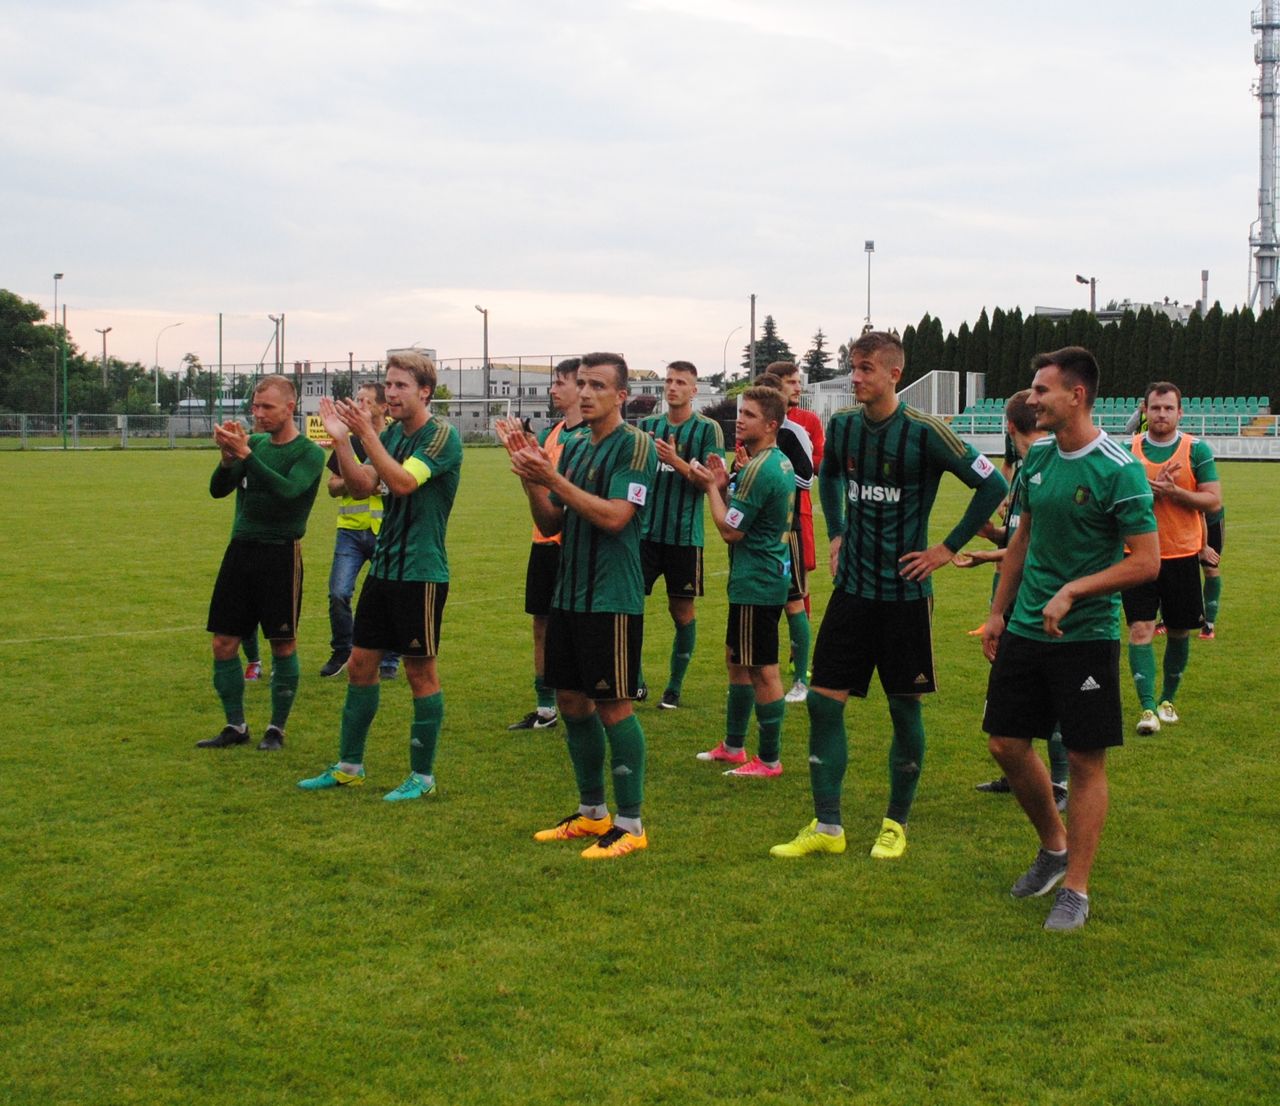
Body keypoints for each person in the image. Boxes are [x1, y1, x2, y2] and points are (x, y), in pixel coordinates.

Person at [770, 331, 1007, 862]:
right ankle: (828, 825)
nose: (856, 377)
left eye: (867, 369)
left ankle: (895, 823)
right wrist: (836, 533)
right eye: (853, 367)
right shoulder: (845, 426)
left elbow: (991, 487)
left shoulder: (926, 432)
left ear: (894, 374)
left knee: (905, 711)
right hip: (852, 592)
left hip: (904, 597)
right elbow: (827, 476)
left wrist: (945, 549)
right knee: (824, 707)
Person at [983, 346, 1159, 931]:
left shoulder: (1118, 467)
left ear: (1076, 395)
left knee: (1084, 759)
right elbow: (1021, 542)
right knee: (1005, 744)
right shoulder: (1035, 462)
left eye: (1041, 390)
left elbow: (1146, 562)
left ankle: (1076, 889)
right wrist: (997, 614)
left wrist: (1075, 591)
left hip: (1086, 634)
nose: (1032, 400)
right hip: (1027, 629)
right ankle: (1053, 848)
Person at [501, 351, 658, 860]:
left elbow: (615, 517)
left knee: (614, 705)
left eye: (596, 385)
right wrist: (530, 473)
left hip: (611, 597)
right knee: (571, 701)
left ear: (620, 395)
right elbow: (551, 525)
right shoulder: (572, 446)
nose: (585, 392)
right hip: (569, 592)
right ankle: (593, 815)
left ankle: (631, 824)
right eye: (581, 383)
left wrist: (553, 479)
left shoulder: (634, 447)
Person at [298, 352, 463, 801]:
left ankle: (422, 777)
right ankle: (350, 766)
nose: (390, 394)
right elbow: (360, 486)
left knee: (419, 674)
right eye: (387, 385)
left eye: (400, 386)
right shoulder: (390, 434)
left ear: (425, 391)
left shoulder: (442, 436)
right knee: (360, 666)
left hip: (421, 573)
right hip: (385, 569)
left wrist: (367, 433)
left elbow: (404, 483)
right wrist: (343, 443)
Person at [954, 390, 1069, 811]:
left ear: (1008, 426)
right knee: (1011, 690)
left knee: (1050, 690)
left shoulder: (1046, 467)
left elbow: (1039, 544)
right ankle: (1018, 774)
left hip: (1043, 599)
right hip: (1015, 597)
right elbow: (1019, 536)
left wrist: (990, 554)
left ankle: (1058, 784)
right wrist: (991, 537)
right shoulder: (1024, 471)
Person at [201, 375, 326, 750]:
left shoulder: (309, 452)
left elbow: (288, 492)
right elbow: (217, 491)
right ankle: (235, 726)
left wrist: (246, 456)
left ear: (290, 408)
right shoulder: (252, 444)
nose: (257, 414)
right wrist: (227, 460)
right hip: (241, 549)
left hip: (280, 553)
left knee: (282, 643)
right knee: (224, 642)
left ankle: (276, 728)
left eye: (266, 407)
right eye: (255, 406)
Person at [688, 385, 794, 776]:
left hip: (757, 581)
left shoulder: (759, 469)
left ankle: (769, 760)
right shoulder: (774, 462)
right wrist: (723, 485)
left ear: (770, 424)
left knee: (762, 669)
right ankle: (733, 746)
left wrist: (711, 489)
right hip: (760, 577)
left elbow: (731, 531)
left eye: (748, 414)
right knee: (736, 660)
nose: (739, 420)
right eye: (740, 412)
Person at [1122, 382, 1221, 734]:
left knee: (1179, 631)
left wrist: (1174, 492)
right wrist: (1147, 491)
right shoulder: (1128, 450)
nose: (1161, 414)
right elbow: (1113, 500)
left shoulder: (1197, 450)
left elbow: (1213, 501)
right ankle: (1147, 708)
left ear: (1180, 412)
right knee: (1140, 629)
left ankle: (1167, 699)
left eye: (1168, 408)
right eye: (1155, 408)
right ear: (1144, 412)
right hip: (1137, 556)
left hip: (1181, 555)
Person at [635, 360, 724, 710]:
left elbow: (711, 483)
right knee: (628, 606)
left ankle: (673, 687)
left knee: (681, 612)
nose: (672, 387)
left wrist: (675, 461)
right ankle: (634, 680)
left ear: (694, 389)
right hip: (643, 534)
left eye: (680, 382)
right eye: (669, 381)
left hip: (684, 536)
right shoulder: (647, 426)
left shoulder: (707, 430)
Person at [507, 357, 587, 730]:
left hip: (575, 545)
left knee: (577, 626)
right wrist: (523, 463)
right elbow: (538, 489)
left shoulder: (589, 437)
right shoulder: (552, 434)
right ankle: (545, 707)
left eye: (560, 383)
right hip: (543, 539)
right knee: (541, 623)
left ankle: (597, 693)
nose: (553, 389)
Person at [319, 381, 400, 681]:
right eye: (357, 399)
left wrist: (382, 486)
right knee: (338, 593)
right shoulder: (349, 442)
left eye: (365, 401)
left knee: (390, 596)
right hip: (351, 532)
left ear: (382, 406)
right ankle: (343, 649)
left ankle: (390, 657)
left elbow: (406, 482)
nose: (359, 405)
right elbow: (332, 487)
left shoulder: (395, 440)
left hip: (387, 530)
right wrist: (355, 484)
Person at [768, 360, 824, 700]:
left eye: (797, 382)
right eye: (790, 382)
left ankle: (800, 670)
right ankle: (761, 669)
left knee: (796, 596)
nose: (796, 388)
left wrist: (769, 472)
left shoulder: (801, 427)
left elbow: (810, 472)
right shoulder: (754, 426)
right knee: (762, 602)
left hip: (793, 523)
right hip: (756, 532)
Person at [1199, 506, 1225, 639]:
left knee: (1210, 567)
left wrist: (1203, 546)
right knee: (1172, 567)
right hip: (1182, 520)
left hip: (1211, 520)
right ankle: (1166, 620)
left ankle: (1209, 623)